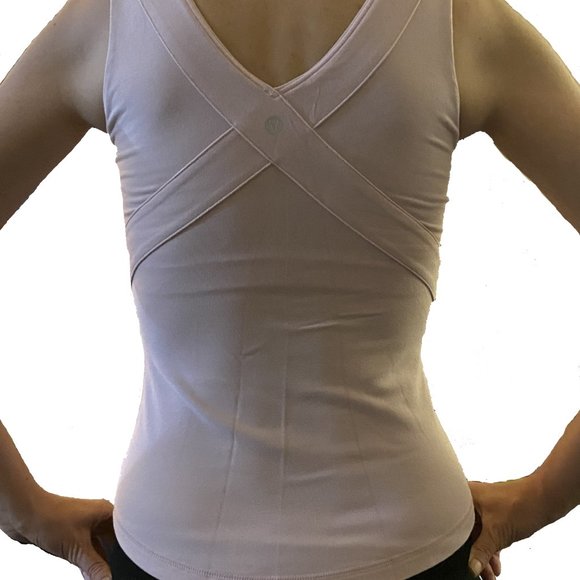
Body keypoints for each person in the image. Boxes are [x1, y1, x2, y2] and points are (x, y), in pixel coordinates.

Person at [0, 0, 578, 579]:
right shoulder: (461, 22)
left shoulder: (110, 22)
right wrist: (539, 499)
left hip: (171, 541)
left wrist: (25, 514)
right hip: (412, 540)